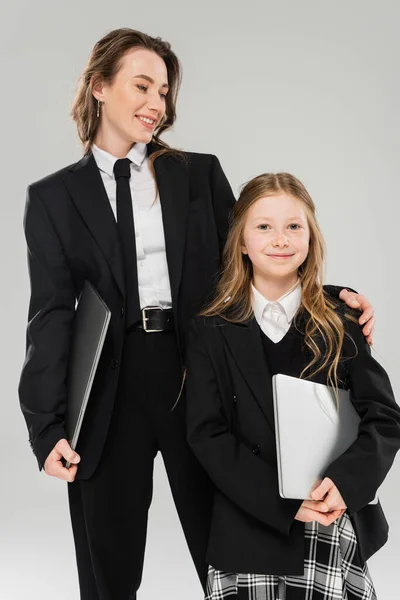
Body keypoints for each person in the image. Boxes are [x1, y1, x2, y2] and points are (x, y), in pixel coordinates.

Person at [18, 28, 375, 600]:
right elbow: (51, 314)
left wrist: (331, 299)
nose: (157, 103)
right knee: (107, 574)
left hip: (201, 375)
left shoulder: (197, 174)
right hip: (110, 393)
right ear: (98, 87)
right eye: (142, 85)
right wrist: (46, 426)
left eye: (163, 90)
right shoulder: (54, 198)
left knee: (232, 551)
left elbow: (257, 257)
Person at [185, 172, 400, 600]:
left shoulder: (341, 320)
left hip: (328, 517)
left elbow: (385, 417)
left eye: (293, 226)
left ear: (310, 237)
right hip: (248, 523)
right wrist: (281, 500)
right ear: (241, 242)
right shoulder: (210, 329)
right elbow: (207, 435)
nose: (280, 239)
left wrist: (346, 482)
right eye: (263, 226)